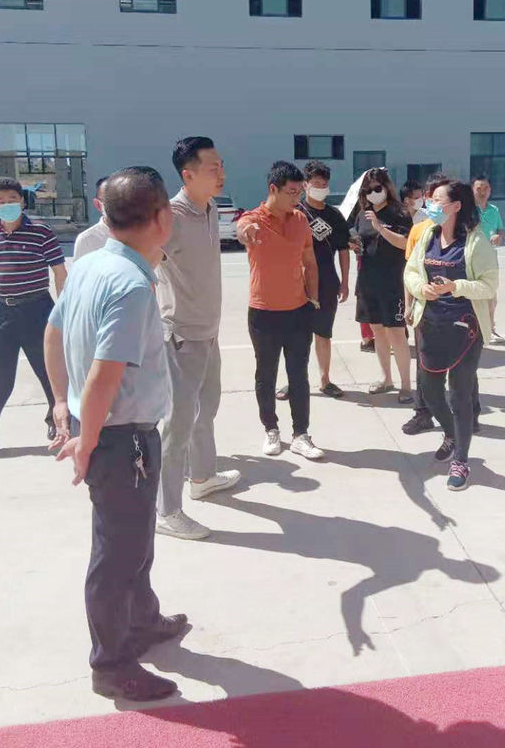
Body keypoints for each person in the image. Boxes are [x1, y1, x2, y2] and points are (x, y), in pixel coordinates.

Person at [44, 166, 187, 701]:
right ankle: (112, 664)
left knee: (135, 542)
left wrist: (61, 403)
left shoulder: (89, 265)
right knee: (117, 556)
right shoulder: (130, 284)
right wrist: (86, 439)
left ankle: (142, 620)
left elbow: (53, 331)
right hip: (120, 438)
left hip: (109, 430)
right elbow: (106, 373)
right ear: (162, 218)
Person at [155, 137, 240, 541]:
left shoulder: (209, 209)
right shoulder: (169, 216)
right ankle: (166, 510)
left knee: (207, 408)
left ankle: (202, 477)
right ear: (187, 175)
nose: (221, 173)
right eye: (212, 168)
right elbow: (142, 262)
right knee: (177, 424)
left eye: (221, 165)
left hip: (209, 331)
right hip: (181, 336)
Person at [0, 177, 67, 454]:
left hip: (37, 310)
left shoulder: (41, 232)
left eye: (12, 200)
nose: (6, 205)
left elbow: (59, 272)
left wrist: (64, 311)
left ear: (22, 202)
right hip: (0, 312)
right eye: (0, 201)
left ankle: (57, 423)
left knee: (49, 370)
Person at [404, 178, 498, 491]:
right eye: (430, 199)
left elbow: (489, 285)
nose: (431, 205)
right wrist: (422, 289)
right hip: (430, 325)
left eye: (437, 200)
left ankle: (461, 460)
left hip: (465, 328)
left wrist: (455, 286)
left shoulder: (475, 241)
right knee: (430, 392)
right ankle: (452, 434)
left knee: (460, 395)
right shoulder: (427, 234)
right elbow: (411, 272)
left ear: (456, 206)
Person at [237, 161, 324, 460]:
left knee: (299, 374)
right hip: (263, 313)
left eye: (300, 192)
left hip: (298, 311)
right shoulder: (254, 219)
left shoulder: (300, 220)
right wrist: (246, 232)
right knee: (266, 374)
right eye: (291, 192)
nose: (297, 198)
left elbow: (309, 261)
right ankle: (271, 429)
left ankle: (301, 434)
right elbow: (243, 229)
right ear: (273, 189)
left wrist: (314, 298)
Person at [278, 160, 350, 399]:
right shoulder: (294, 212)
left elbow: (343, 250)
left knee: (323, 333)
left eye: (324, 184)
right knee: (296, 336)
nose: (320, 187)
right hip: (297, 282)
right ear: (305, 185)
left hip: (327, 281)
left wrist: (345, 282)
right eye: (316, 183)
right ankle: (295, 382)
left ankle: (325, 380)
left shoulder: (335, 215)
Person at [351, 168, 413, 403]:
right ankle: (386, 378)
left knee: (396, 333)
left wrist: (380, 228)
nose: (373, 193)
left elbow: (404, 243)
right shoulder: (363, 214)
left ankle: (406, 385)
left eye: (377, 188)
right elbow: (361, 238)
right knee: (377, 331)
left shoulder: (400, 213)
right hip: (368, 281)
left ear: (387, 188)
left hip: (392, 282)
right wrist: (355, 244)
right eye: (368, 190)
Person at [402, 172, 444, 435]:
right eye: (433, 197)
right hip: (425, 309)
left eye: (443, 197)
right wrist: (409, 305)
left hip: (456, 310)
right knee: (424, 364)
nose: (437, 203)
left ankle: (469, 412)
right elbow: (410, 272)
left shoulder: (466, 231)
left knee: (461, 368)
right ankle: (422, 413)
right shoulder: (418, 230)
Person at [471, 175, 504, 343]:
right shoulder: (468, 210)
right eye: (479, 188)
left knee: (491, 295)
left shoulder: (494, 210)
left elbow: (500, 229)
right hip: (472, 258)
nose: (482, 192)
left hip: (490, 258)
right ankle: (475, 329)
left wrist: (499, 236)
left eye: (486, 188)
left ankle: (490, 328)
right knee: (474, 295)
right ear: (472, 190)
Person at [73, 177, 110, 261]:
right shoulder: (87, 240)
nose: (120, 205)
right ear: (98, 205)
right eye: (111, 201)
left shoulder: (139, 235)